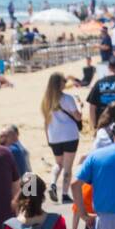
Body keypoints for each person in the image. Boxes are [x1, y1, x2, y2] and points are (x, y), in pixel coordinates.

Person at [41, 72, 83, 204]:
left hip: (54, 136)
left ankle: (53, 183)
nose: (66, 83)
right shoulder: (68, 99)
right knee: (68, 167)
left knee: (58, 164)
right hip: (69, 135)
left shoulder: (46, 101)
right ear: (59, 84)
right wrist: (80, 106)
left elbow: (46, 122)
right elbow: (78, 117)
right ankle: (64, 194)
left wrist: (48, 138)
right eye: (64, 81)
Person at [86, 56, 115, 130]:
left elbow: (92, 107)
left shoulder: (99, 83)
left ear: (108, 67)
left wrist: (94, 126)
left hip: (103, 126)